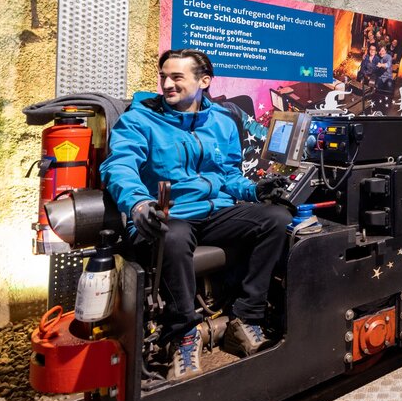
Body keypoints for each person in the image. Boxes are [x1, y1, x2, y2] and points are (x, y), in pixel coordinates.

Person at [101, 49, 293, 380]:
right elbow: (119, 166)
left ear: (204, 81)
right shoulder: (139, 119)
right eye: (164, 77)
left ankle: (245, 317)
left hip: (214, 211)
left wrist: (255, 191)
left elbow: (229, 176)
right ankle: (183, 336)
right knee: (172, 236)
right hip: (165, 213)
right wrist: (138, 205)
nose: (167, 84)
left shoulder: (221, 121)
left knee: (276, 219)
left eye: (177, 77)